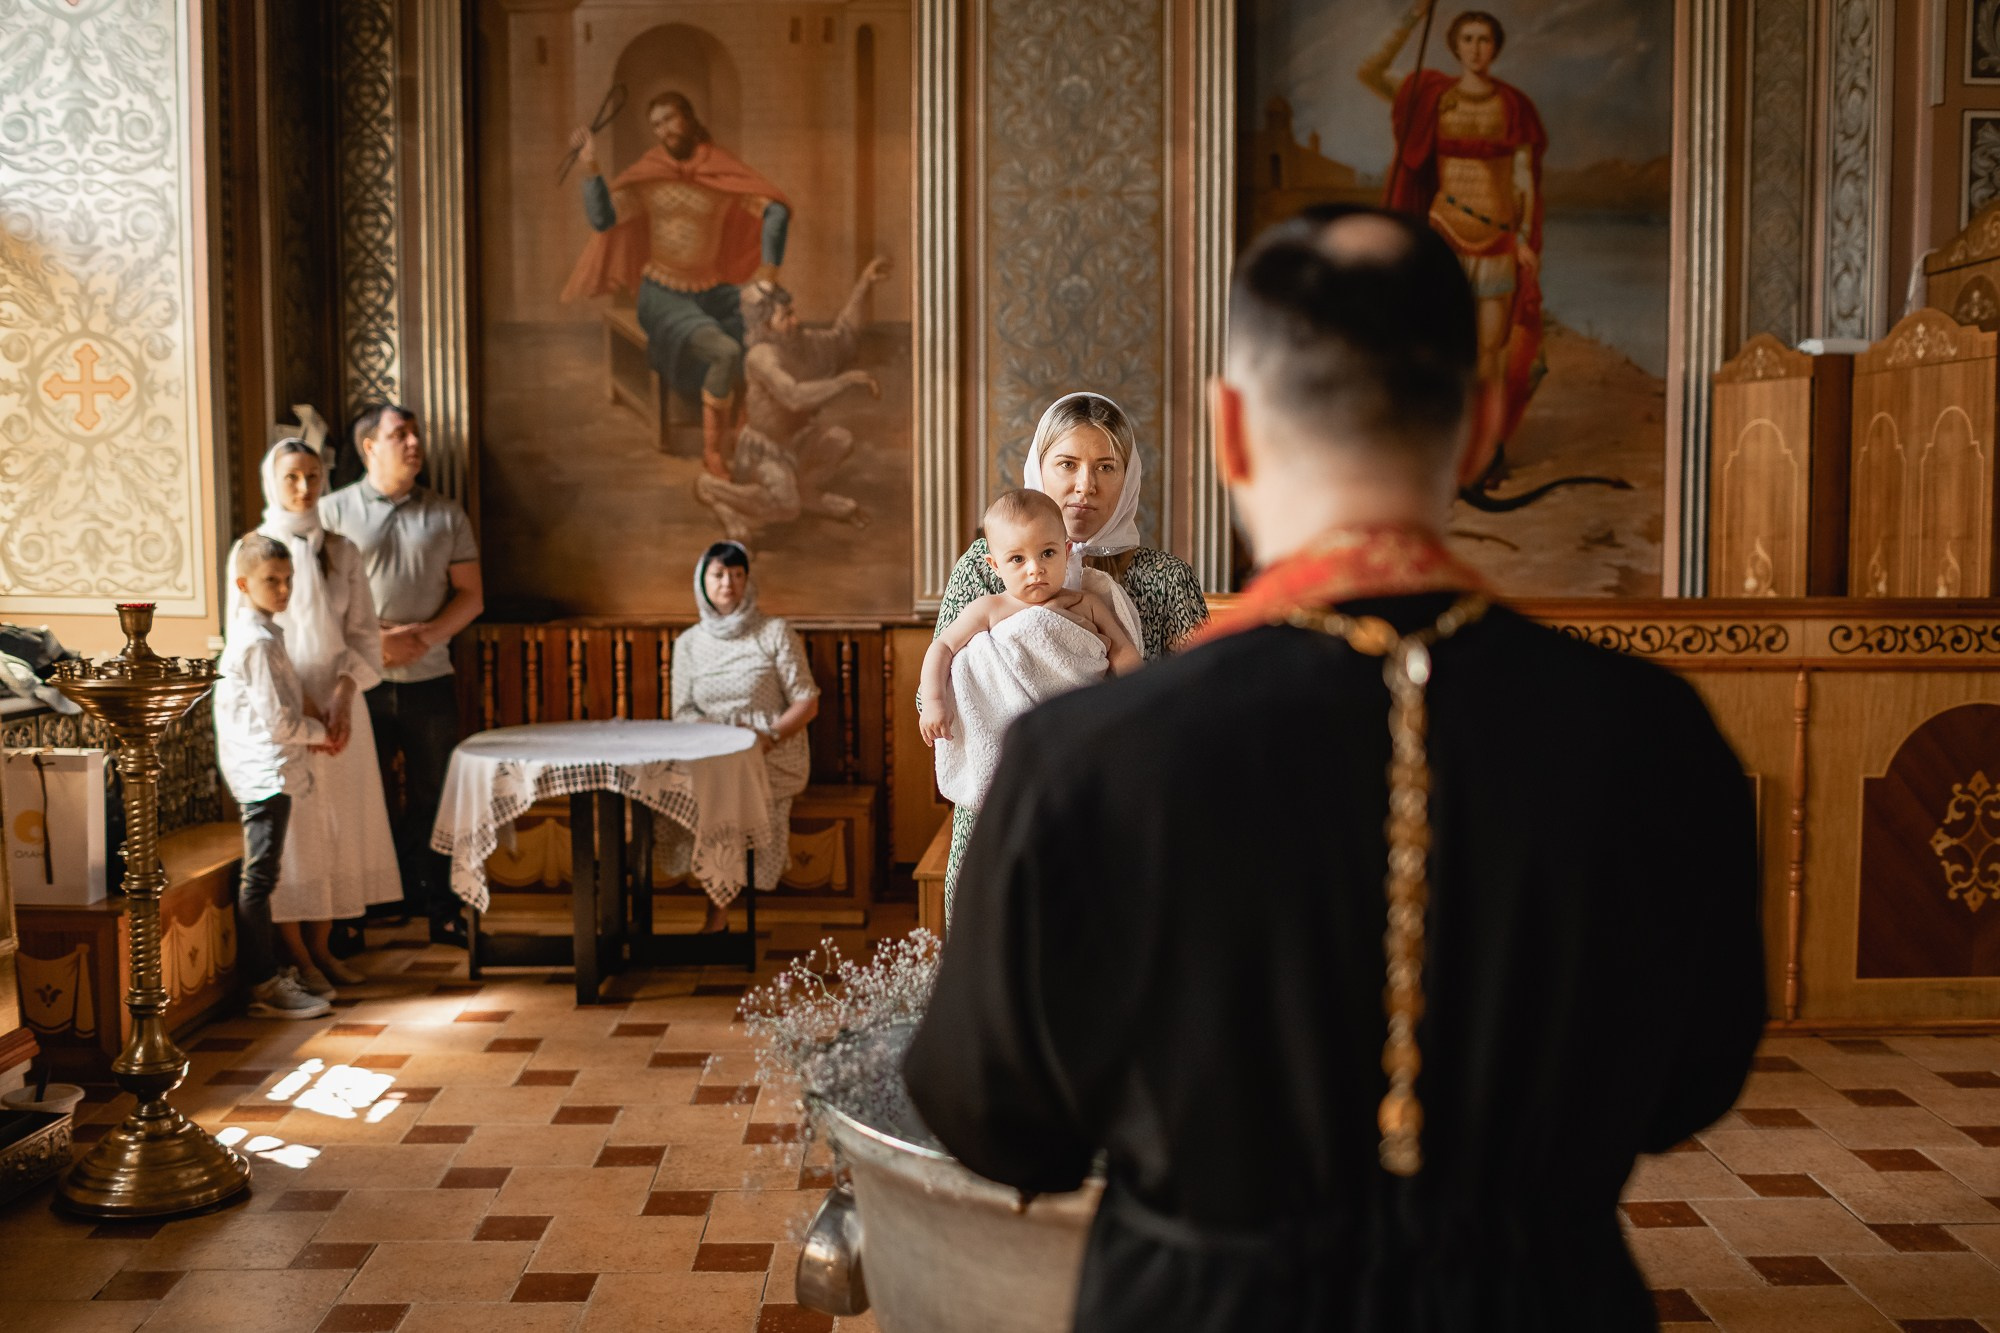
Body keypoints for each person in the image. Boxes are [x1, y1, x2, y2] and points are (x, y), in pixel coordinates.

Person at [903, 207, 1764, 1331]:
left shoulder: (1090, 756)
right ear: (1483, 423)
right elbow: (1689, 1081)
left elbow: (994, 1117)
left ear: (1230, 434)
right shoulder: (1651, 732)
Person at [930, 392, 1206, 896]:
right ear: (1040, 466)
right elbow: (937, 691)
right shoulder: (984, 563)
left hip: (1121, 815)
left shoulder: (1166, 577)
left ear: (1129, 476)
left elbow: (1198, 707)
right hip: (1002, 809)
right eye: (1067, 464)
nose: (1086, 485)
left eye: (1106, 466)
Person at [920, 490, 1139, 921]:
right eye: (1017, 560)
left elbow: (1123, 651)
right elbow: (942, 648)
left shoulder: (1088, 603)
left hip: (1076, 731)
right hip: (1014, 734)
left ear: (1067, 551)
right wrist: (934, 701)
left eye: (1047, 553)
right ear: (994, 566)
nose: (1036, 569)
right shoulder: (990, 608)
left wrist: (1128, 701)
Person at [238, 439, 401, 990]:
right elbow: (250, 636)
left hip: (341, 708)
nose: (305, 488)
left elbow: (363, 635)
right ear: (272, 482)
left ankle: (323, 949)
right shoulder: (254, 549)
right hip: (284, 711)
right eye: (292, 477)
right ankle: (296, 959)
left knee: (336, 829)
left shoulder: (343, 550)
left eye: (313, 475)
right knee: (298, 833)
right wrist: (305, 705)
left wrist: (343, 693)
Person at [321, 405, 484, 947]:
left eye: (415, 434)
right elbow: (313, 598)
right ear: (369, 447)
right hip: (354, 681)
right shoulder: (332, 512)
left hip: (430, 678)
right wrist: (373, 642)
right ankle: (354, 913)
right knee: (358, 797)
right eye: (400, 435)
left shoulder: (446, 513)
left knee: (437, 796)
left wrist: (424, 637)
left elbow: (472, 595)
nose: (414, 442)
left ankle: (443, 909)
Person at [565, 92, 791, 478]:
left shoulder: (720, 172)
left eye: (670, 119)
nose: (664, 130)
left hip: (711, 288)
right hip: (662, 293)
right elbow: (603, 220)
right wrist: (590, 164)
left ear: (688, 117)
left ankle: (744, 425)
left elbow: (775, 209)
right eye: (656, 124)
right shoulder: (649, 175)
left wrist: (767, 277)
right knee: (722, 350)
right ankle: (712, 453)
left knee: (762, 328)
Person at [1362, 6, 1546, 458]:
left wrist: (1523, 237)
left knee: (1489, 352)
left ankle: (1484, 449)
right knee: (1440, 345)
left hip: (1497, 241)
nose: (1476, 49)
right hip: (1444, 231)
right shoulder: (1432, 96)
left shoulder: (1512, 106)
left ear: (1496, 47)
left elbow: (1522, 177)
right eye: (1468, 40)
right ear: (1454, 46)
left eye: (1485, 40)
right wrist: (1410, 16)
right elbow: (1370, 71)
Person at [666, 542, 819, 933]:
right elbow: (682, 712)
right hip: (709, 749)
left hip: (771, 748)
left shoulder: (773, 632)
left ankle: (720, 912)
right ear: (703, 581)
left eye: (737, 574)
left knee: (728, 792)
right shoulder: (688, 644)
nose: (728, 583)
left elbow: (807, 700)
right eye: (718, 575)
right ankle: (713, 903)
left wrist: (766, 737)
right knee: (703, 788)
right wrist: (716, 739)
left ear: (747, 581)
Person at [214, 535, 334, 1021]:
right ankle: (263, 982)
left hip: (272, 768)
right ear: (243, 584)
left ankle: (271, 975)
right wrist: (322, 732)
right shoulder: (256, 643)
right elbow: (279, 723)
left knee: (266, 877)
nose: (283, 589)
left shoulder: (267, 634)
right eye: (271, 581)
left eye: (288, 580)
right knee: (259, 880)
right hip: (264, 772)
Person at [694, 258, 890, 539]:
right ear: (765, 326)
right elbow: (794, 397)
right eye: (785, 316)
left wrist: (864, 285)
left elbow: (843, 336)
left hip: (796, 442)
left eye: (792, 312)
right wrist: (844, 382)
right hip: (763, 453)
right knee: (786, 509)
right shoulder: (761, 357)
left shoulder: (801, 342)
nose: (795, 321)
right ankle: (710, 489)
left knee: (841, 442)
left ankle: (802, 494)